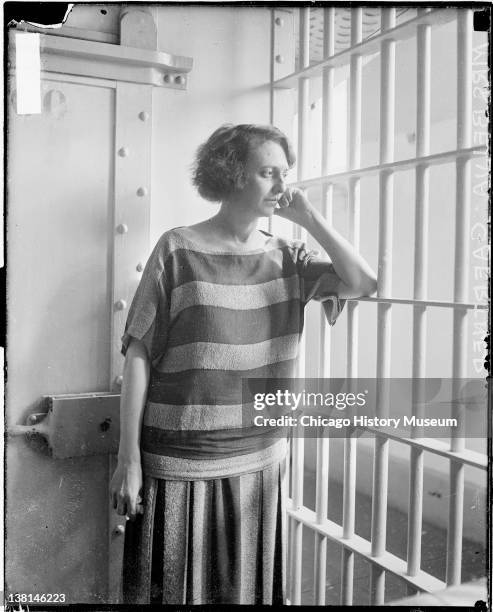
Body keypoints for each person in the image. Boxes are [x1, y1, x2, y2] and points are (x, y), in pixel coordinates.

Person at [109, 124, 377, 604]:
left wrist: (310, 217)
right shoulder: (177, 250)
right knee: (171, 592)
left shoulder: (289, 257)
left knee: (243, 592)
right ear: (231, 176)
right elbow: (139, 353)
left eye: (285, 174)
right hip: (179, 461)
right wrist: (129, 461)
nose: (282, 185)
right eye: (268, 173)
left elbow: (363, 281)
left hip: (259, 458)